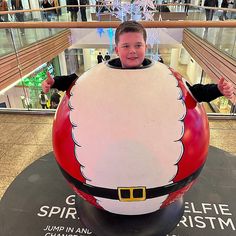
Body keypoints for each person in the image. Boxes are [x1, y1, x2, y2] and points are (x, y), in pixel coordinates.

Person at [42, 21, 235, 103]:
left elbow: (192, 92)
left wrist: (217, 90)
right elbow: (77, 81)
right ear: (116, 50)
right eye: (126, 46)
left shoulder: (161, 74)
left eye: (138, 45)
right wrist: (54, 83)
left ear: (146, 46)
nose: (132, 51)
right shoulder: (103, 72)